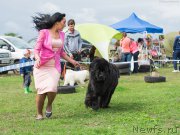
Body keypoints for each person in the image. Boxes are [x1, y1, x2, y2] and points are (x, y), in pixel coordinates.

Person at [32, 12, 80, 120]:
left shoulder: (62, 35)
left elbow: (61, 52)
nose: (65, 24)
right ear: (57, 22)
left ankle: (49, 105)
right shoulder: (44, 33)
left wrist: (72, 61)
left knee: (52, 88)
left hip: (54, 67)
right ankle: (39, 113)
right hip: (41, 66)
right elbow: (36, 49)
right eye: (63, 22)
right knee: (41, 91)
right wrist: (37, 57)